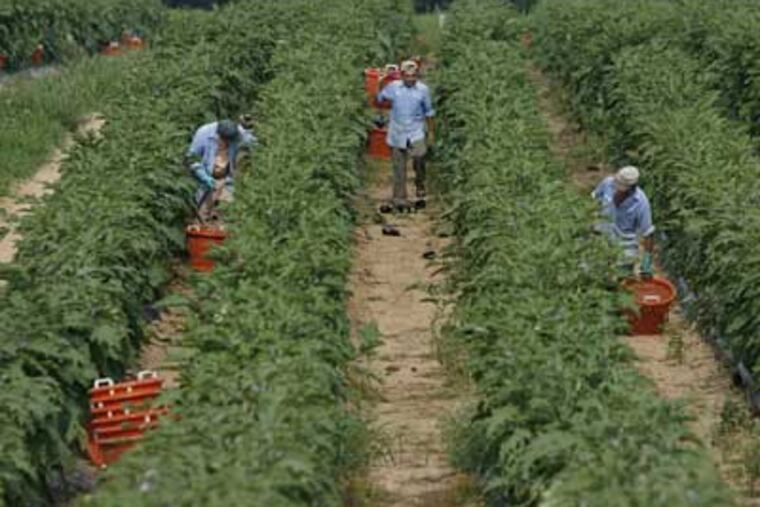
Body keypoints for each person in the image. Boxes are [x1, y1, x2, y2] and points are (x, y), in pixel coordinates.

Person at [377, 60, 435, 206]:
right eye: (408, 76)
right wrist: (381, 82)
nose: (411, 79)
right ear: (402, 76)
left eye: (414, 76)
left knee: (420, 156)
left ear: (417, 76)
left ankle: (420, 183)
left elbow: (429, 112)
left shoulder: (423, 90)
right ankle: (399, 198)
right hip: (397, 132)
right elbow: (380, 98)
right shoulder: (394, 87)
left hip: (416, 131)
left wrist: (431, 132)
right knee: (398, 166)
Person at [186, 118, 256, 221]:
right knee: (202, 214)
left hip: (227, 180)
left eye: (230, 141)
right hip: (206, 178)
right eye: (225, 140)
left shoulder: (240, 135)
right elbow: (190, 158)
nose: (228, 143)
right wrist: (202, 175)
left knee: (228, 212)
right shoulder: (204, 133)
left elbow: (255, 144)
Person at [592, 166, 655, 276]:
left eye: (622, 190)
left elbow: (648, 233)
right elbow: (594, 199)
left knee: (623, 280)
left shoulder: (641, 202)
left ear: (632, 188)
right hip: (602, 236)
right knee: (594, 274)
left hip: (625, 246)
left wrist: (647, 260)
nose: (618, 192)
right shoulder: (607, 183)